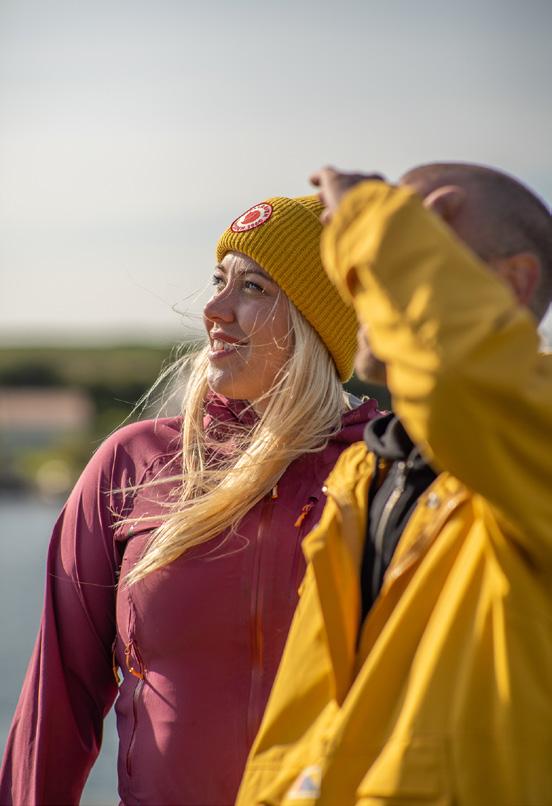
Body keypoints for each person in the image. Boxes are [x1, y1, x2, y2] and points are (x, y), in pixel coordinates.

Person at [0, 194, 381, 806]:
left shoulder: (386, 472)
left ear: (318, 322)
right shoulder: (132, 464)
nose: (214, 309)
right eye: (218, 280)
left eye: (253, 287)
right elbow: (57, 701)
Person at [236, 163, 552, 806]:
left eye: (418, 246)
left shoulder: (537, 457)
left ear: (515, 283)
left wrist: (371, 219)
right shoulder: (365, 475)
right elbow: (304, 739)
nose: (370, 279)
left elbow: (466, 379)